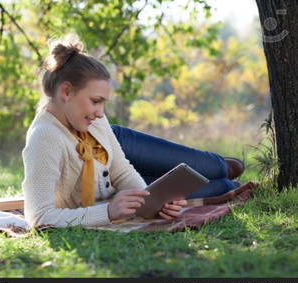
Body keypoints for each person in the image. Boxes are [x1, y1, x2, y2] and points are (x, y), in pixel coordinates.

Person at [21, 36, 244, 228]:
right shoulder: (45, 138)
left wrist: (153, 204)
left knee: (212, 168)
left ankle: (221, 165)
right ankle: (226, 180)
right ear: (66, 91)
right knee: (222, 187)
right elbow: (39, 217)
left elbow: (122, 172)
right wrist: (108, 212)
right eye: (96, 101)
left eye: (103, 103)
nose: (101, 113)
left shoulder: (93, 119)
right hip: (109, 192)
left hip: (114, 158)